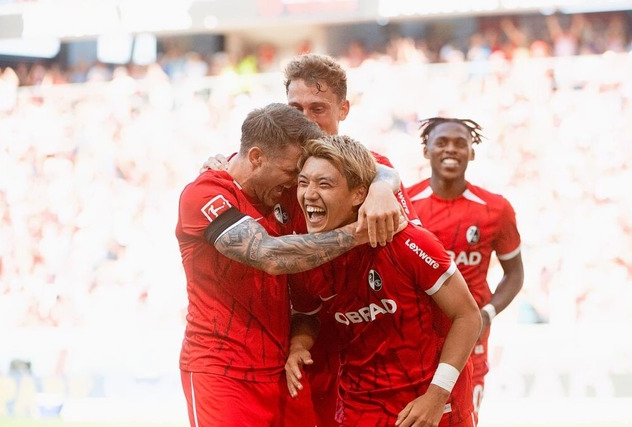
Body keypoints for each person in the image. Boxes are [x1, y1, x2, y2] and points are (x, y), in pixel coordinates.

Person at [201, 53, 420, 426]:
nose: (305, 118)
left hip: (378, 344)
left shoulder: (370, 172)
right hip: (303, 342)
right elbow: (235, 184)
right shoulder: (275, 176)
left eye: (317, 107)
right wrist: (218, 166)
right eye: (295, 107)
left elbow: (414, 266)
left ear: (344, 109)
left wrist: (385, 183)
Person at [285, 134, 482, 426]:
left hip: (426, 409)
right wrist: (299, 345)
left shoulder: (406, 241)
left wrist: (436, 396)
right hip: (359, 411)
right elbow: (306, 314)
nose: (309, 194)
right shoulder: (308, 258)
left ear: (358, 194)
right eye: (303, 183)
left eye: (324, 184)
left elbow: (468, 316)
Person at [406, 117, 525, 424]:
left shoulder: (495, 209)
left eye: (461, 143)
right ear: (426, 150)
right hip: (414, 336)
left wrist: (487, 313)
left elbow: (514, 273)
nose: (451, 149)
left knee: (464, 419)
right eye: (442, 142)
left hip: (470, 335)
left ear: (472, 152)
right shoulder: (404, 204)